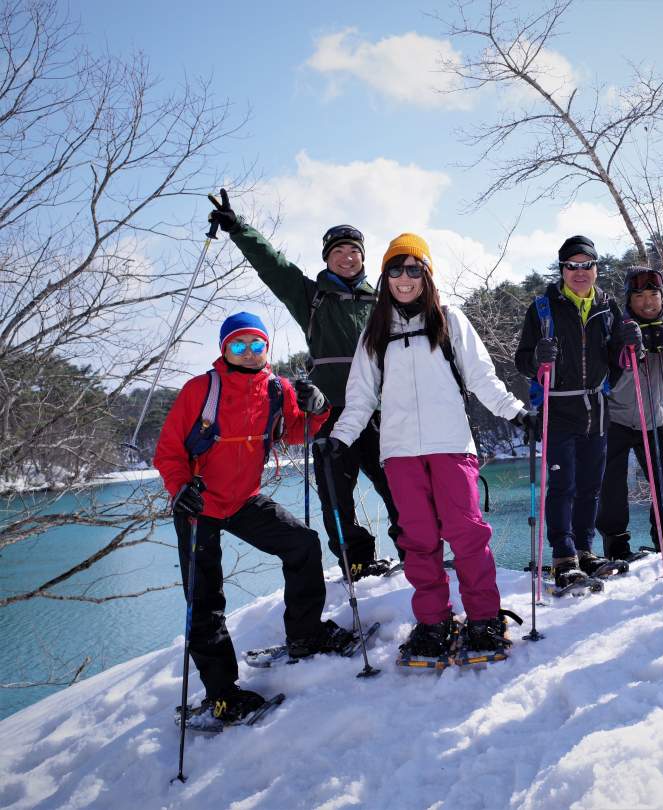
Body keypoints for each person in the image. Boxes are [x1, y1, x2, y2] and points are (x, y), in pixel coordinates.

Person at [325, 234, 533, 657]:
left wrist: (516, 413)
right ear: (385, 277)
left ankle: (483, 619)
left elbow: (481, 378)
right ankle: (434, 622)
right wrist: (339, 438)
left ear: (427, 274)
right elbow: (361, 395)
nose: (404, 278)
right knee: (418, 540)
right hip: (399, 451)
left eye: (413, 269)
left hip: (452, 444)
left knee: (467, 535)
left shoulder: (449, 319)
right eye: (396, 270)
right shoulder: (375, 331)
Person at [154, 312, 352, 722]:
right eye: (238, 346)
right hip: (199, 505)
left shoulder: (277, 390)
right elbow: (169, 451)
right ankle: (222, 695)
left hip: (244, 499)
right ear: (224, 349)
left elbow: (298, 432)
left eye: (256, 345)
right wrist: (180, 490)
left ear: (267, 349)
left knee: (302, 544)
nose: (248, 353)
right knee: (205, 599)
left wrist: (317, 410)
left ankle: (304, 635)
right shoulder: (200, 391)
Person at [207, 191, 400, 581]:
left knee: (400, 489)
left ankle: (416, 553)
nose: (348, 257)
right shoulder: (312, 297)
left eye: (354, 251)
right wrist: (238, 229)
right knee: (336, 499)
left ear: (363, 257)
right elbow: (273, 266)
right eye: (339, 251)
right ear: (327, 258)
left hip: (379, 414)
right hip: (329, 414)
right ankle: (356, 561)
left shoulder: (382, 300)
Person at [514, 236, 633, 587]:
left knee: (590, 486)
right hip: (558, 407)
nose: (580, 272)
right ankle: (563, 555)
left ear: (596, 268)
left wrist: (629, 347)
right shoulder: (542, 308)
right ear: (562, 269)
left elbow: (617, 361)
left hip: (596, 407)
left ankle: (584, 549)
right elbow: (522, 359)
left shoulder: (608, 307)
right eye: (572, 265)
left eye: (587, 265)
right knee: (562, 484)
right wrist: (538, 358)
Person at [596, 266, 663, 559]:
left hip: (655, 417)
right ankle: (616, 544)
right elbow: (603, 378)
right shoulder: (614, 326)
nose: (647, 302)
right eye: (639, 295)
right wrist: (625, 353)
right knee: (612, 486)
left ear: (661, 295)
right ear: (629, 299)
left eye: (653, 294)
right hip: (615, 418)